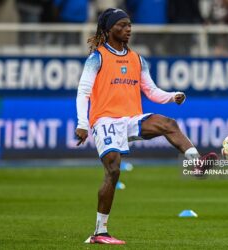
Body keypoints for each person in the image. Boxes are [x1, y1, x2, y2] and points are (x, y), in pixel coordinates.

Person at [75, 8, 217, 245]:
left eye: (129, 24)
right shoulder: (97, 57)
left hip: (131, 118)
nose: (128, 29)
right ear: (109, 29)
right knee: (113, 170)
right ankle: (100, 233)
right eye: (122, 25)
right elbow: (83, 92)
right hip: (105, 120)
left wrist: (172, 96)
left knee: (168, 123)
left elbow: (151, 91)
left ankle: (196, 162)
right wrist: (82, 123)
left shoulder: (137, 59)